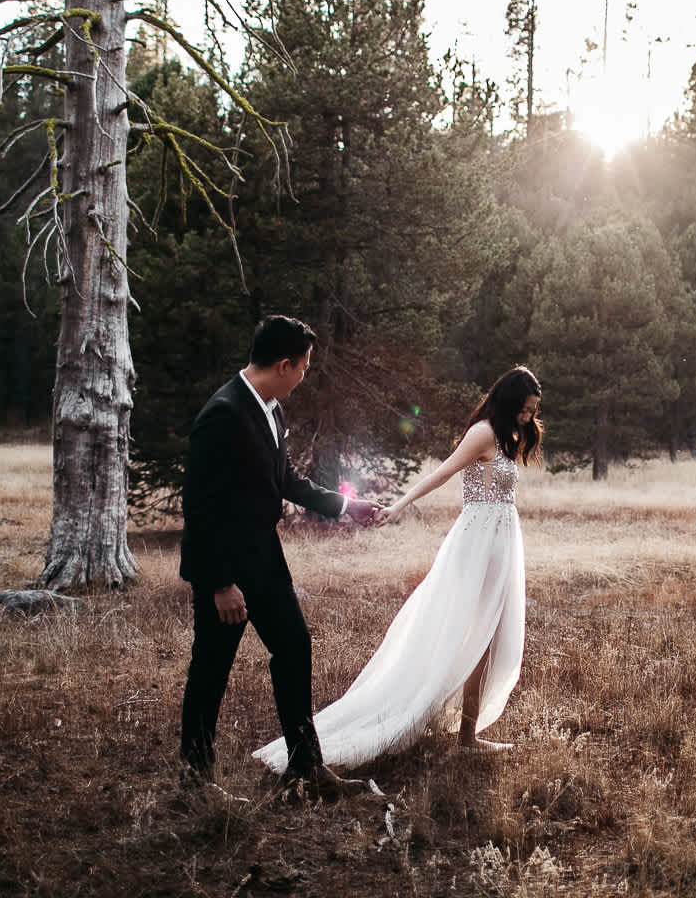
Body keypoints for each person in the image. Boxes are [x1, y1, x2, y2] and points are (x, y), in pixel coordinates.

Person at [253, 366, 541, 773]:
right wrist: (399, 506)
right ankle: (445, 726)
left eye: (533, 412)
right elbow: (441, 473)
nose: (528, 418)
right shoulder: (483, 433)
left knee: (491, 635)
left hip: (503, 540)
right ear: (510, 401)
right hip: (478, 542)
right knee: (467, 630)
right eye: (525, 410)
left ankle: (467, 735)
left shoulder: (510, 435)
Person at [178, 315, 382, 801]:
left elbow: (285, 480)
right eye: (304, 367)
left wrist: (343, 506)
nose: (305, 376)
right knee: (211, 668)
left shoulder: (271, 409)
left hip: (264, 558)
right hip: (225, 566)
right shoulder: (223, 413)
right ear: (285, 364)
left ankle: (306, 769)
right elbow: (199, 507)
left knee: (293, 647)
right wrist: (220, 583)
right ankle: (194, 782)